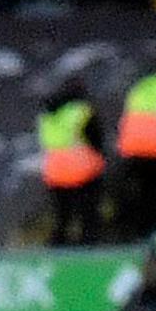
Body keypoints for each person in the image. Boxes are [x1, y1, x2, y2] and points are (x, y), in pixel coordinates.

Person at [111, 55, 156, 241]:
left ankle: (127, 232)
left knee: (137, 192)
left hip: (131, 148)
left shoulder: (140, 88)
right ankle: (153, 233)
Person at [35, 77, 107, 245]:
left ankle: (58, 249)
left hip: (54, 171)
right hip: (82, 169)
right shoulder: (81, 110)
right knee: (88, 214)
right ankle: (88, 248)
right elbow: (96, 137)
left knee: (63, 215)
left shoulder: (47, 114)